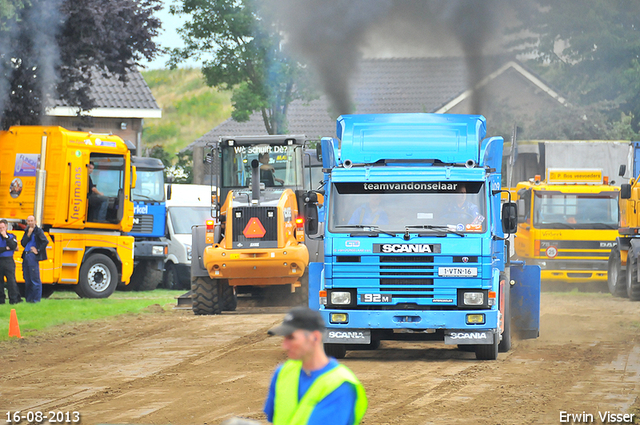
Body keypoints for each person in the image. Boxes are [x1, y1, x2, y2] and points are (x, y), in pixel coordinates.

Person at [264, 306, 368, 425]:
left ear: (315, 337)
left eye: (291, 338)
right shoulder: (283, 372)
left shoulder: (340, 384)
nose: (285, 346)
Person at [20, 215, 48, 303]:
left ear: (35, 221)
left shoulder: (38, 231)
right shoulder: (27, 230)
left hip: (32, 256)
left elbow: (45, 241)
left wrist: (38, 250)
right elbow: (23, 243)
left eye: (32, 221)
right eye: (29, 221)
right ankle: (29, 299)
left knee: (34, 279)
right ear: (27, 222)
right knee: (27, 279)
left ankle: (36, 300)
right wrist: (28, 234)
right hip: (26, 255)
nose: (30, 223)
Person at [0, 219, 22, 304]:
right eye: (0, 228)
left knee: (11, 281)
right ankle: (1, 300)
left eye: (2, 227)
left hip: (8, 260)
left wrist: (5, 236)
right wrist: (6, 248)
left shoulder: (11, 236)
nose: (1, 229)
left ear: (6, 227)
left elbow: (13, 246)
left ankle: (14, 299)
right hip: (0, 260)